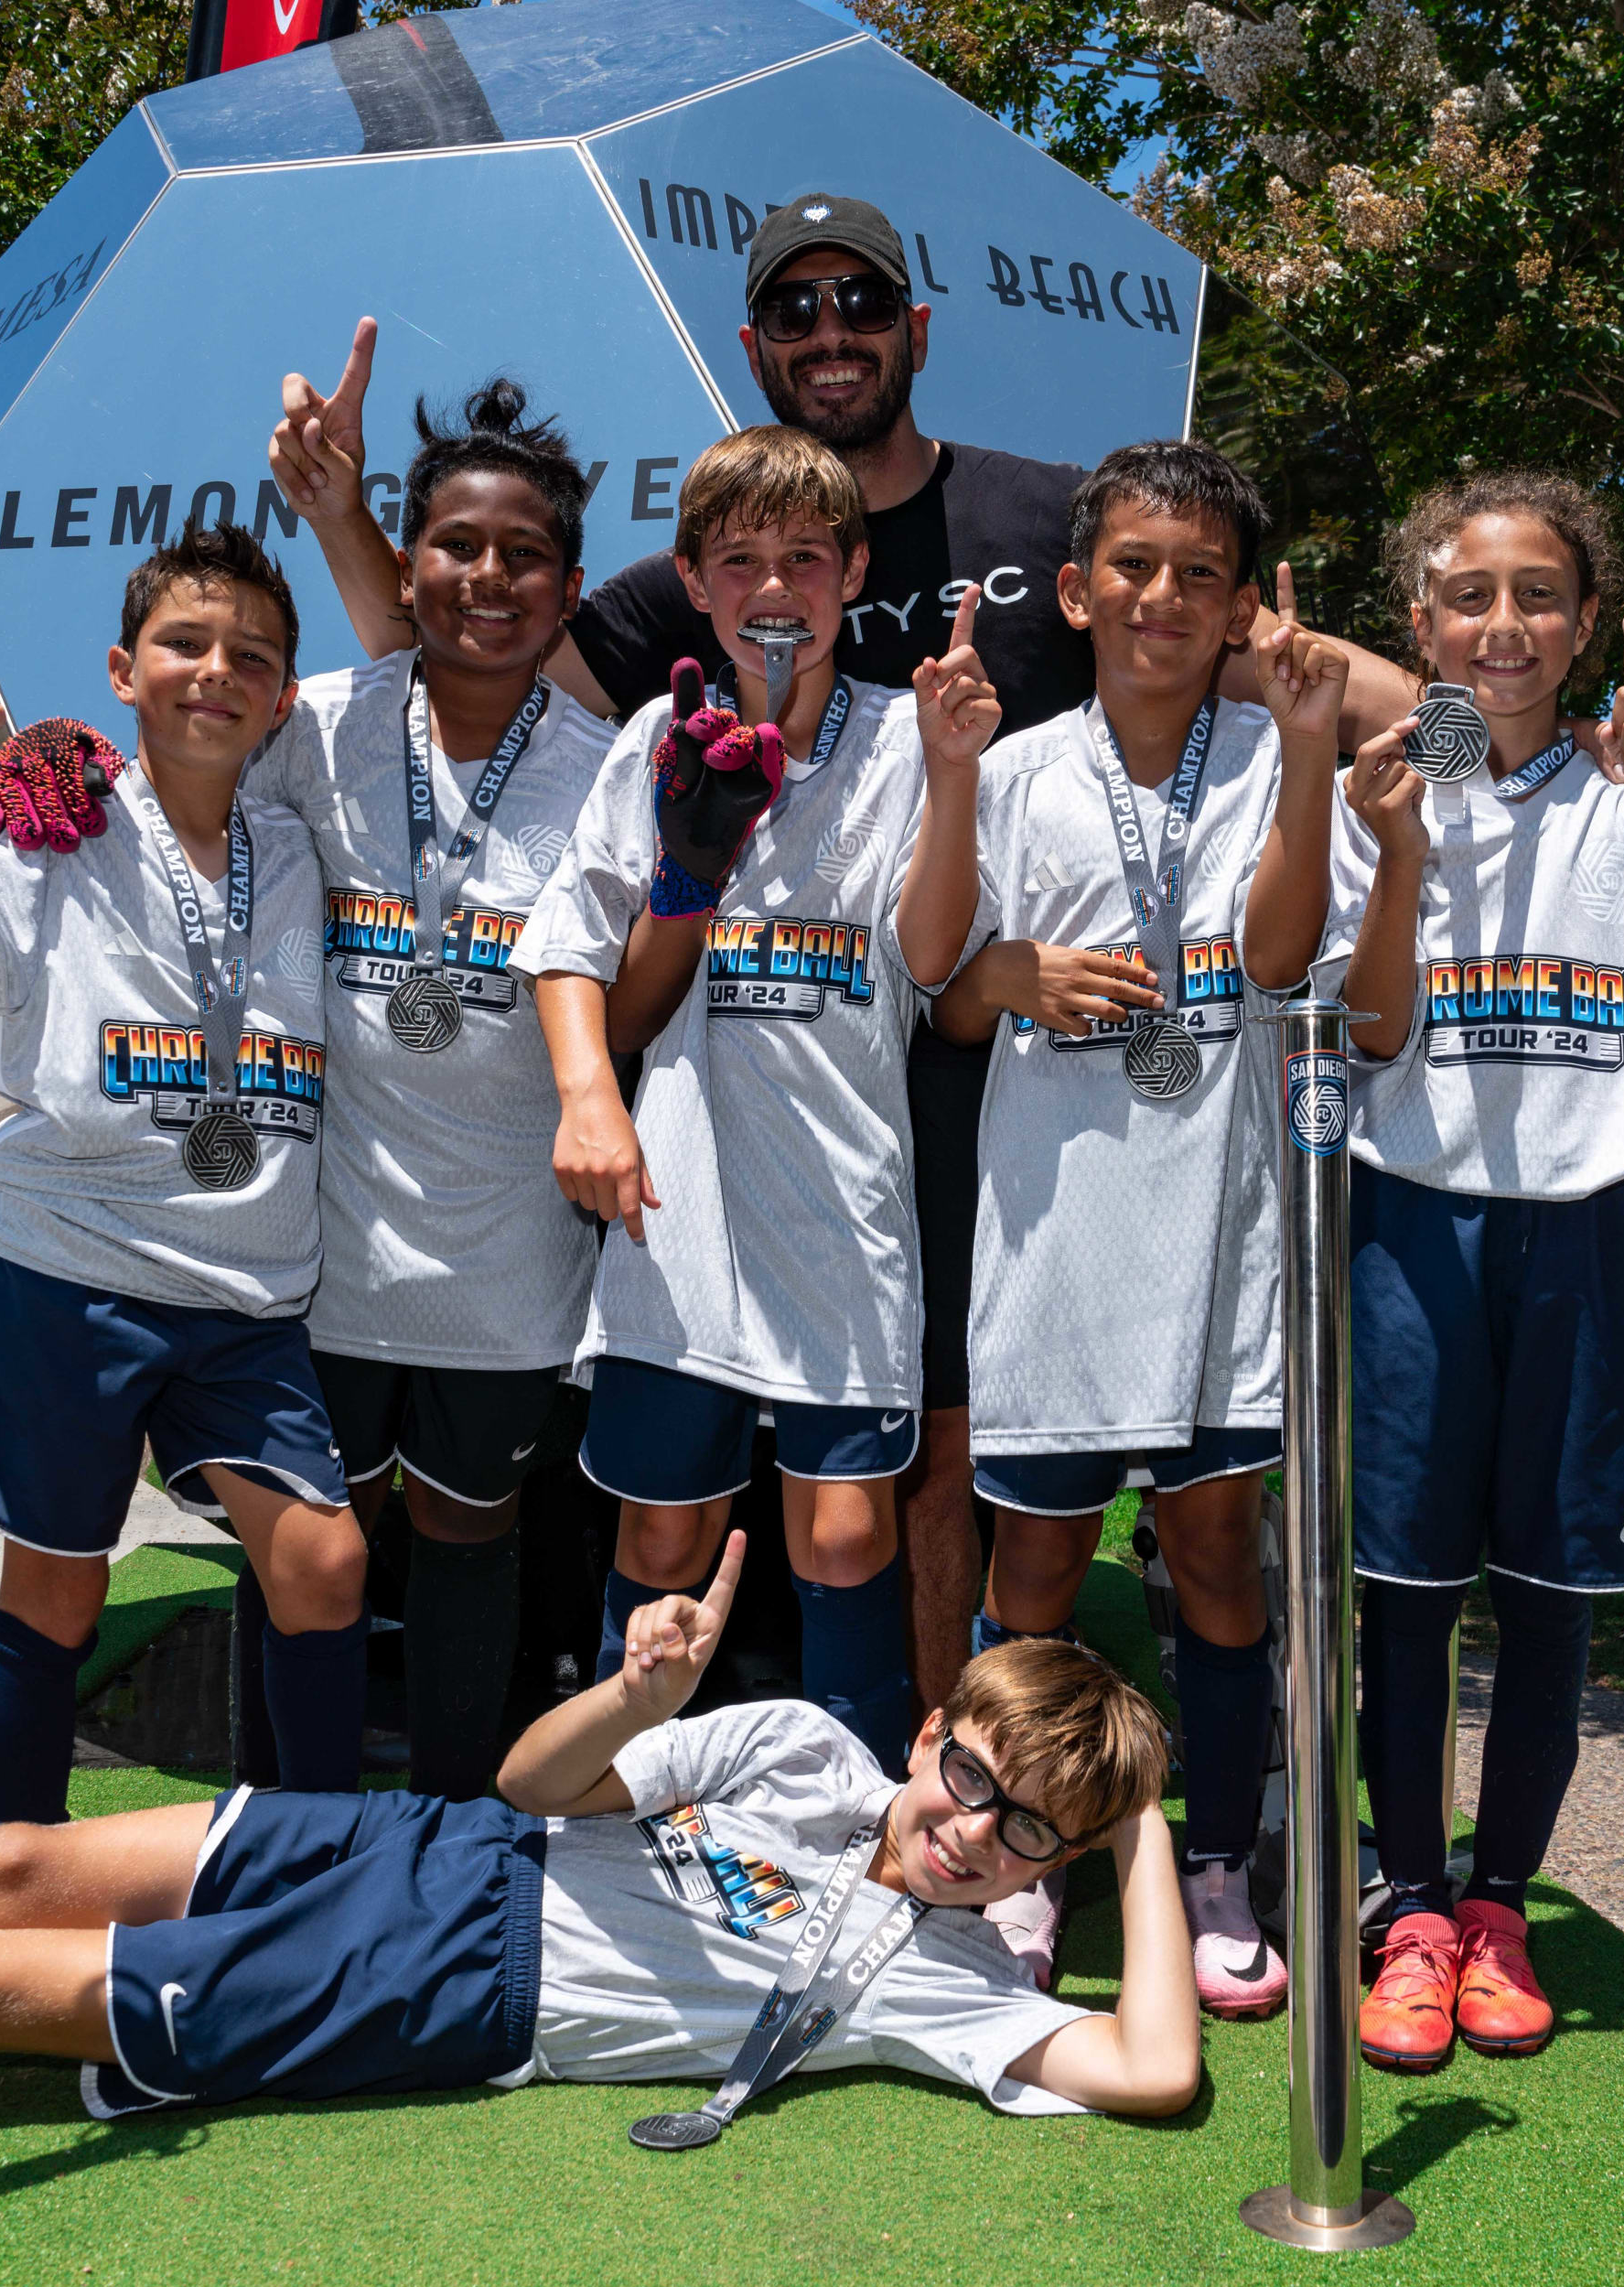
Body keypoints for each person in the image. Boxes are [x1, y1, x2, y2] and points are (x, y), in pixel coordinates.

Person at [273, 195, 1420, 1715]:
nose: (832, 332)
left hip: (954, 1117)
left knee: (907, 1491)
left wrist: (1494, 710)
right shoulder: (662, 703)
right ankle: (638, 1798)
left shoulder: (1046, 520)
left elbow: (1227, 633)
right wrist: (344, 521)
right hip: (718, 1160)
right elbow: (479, 664)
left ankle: (914, 1786)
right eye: (796, 309)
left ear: (912, 330)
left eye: (861, 302)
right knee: (685, 1522)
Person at [0, 1537, 1202, 2130]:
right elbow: (532, 1786)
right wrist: (637, 1694)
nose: (973, 1831)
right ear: (931, 1730)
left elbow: (1150, 2071)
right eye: (973, 1776)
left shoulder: (949, 1981)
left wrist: (1138, 1832)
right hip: (438, 1849)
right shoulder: (799, 1751)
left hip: (454, 1986)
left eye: (1024, 1834)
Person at [1283, 473, 1624, 2074]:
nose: (1506, 624)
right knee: (1408, 1589)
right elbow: (1370, 1030)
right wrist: (1397, 855)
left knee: (1552, 1587)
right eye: (1471, 596)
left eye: (1540, 593)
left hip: (1589, 1223)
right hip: (1419, 1217)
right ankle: (1412, 1908)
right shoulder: (1380, 791)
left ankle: (1501, 1902)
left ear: (1587, 618)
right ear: (1420, 623)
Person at [0, 525, 368, 1826]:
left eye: (253, 654)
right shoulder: (50, 828)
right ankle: (19, 1863)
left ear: (283, 697)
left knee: (324, 1563)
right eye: (183, 643)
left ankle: (311, 1867)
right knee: (60, 1591)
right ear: (121, 671)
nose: (217, 670)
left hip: (248, 1290)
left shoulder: (299, 850)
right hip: (69, 1272)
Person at [511, 423, 995, 1778]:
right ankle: (615, 1816)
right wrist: (590, 1100)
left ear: (854, 572)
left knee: (843, 1535)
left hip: (842, 1205)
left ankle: (851, 1836)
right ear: (692, 580)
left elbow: (933, 959)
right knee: (664, 1534)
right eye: (738, 561)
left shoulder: (907, 736)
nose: (773, 587)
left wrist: (956, 774)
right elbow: (568, 942)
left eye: (804, 557)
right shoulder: (660, 737)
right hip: (685, 1205)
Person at [945, 442, 1350, 2011]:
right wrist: (1013, 973)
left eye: (1200, 573)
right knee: (1038, 1567)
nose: (1163, 595)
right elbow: (942, 985)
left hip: (1219, 1234)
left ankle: (1218, 1859)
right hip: (1057, 1236)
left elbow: (1281, 957)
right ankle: (1020, 1857)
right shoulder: (1017, 767)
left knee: (1216, 1558)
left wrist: (1307, 752)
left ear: (1243, 605)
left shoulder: (1274, 752)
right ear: (1075, 589)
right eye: (1133, 565)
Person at [242, 382, 621, 1798]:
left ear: (567, 589)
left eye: (525, 554)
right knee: (309, 1541)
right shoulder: (314, 725)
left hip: (505, 1248)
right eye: (457, 545)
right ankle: (286, 1828)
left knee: (470, 1531)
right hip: (321, 1241)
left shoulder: (608, 773)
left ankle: (455, 1829)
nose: (488, 577)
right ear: (405, 568)